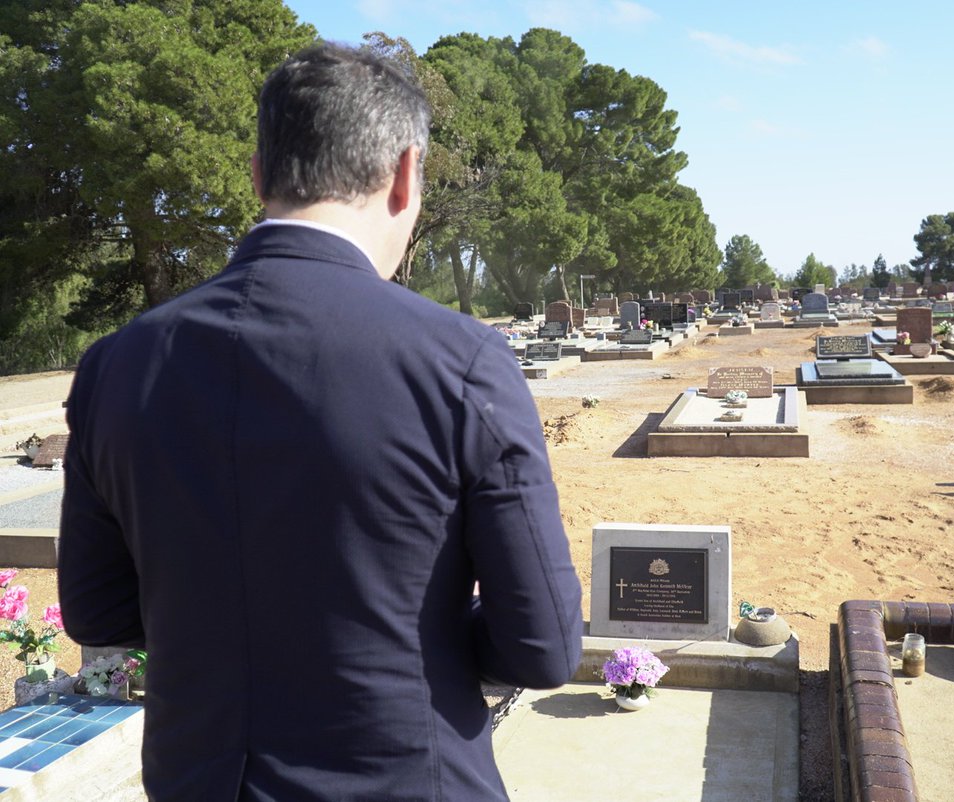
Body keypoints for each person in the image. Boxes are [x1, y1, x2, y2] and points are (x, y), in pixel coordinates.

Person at [58, 43, 583, 801]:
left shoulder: (117, 362)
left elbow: (98, 607)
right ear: (407, 174)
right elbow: (541, 647)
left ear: (257, 173)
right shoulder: (460, 361)